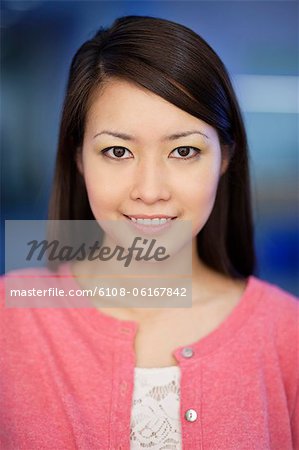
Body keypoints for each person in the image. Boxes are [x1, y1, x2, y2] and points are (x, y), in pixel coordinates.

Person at [1, 15, 298, 450]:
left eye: (184, 150)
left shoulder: (287, 334)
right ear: (79, 158)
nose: (150, 191)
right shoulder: (10, 320)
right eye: (118, 151)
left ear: (225, 158)